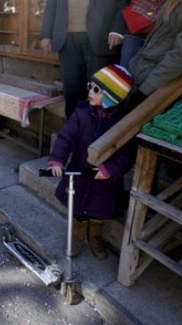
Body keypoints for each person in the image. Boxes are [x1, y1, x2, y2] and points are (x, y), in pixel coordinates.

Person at [46, 64, 135, 260]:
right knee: (78, 210)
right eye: (90, 86)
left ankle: (94, 237)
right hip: (80, 172)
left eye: (96, 89)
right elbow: (65, 137)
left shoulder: (122, 123)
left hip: (105, 180)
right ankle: (77, 237)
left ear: (112, 97)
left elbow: (127, 153)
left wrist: (110, 169)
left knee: (99, 212)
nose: (90, 92)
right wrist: (58, 161)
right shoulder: (82, 113)